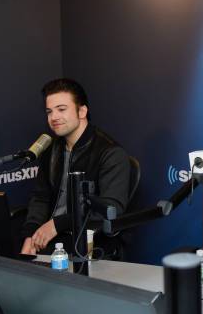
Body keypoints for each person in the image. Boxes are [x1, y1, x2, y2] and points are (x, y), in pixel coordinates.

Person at [20, 78, 131, 256]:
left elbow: (111, 210)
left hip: (89, 240)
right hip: (51, 239)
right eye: (49, 111)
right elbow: (41, 197)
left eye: (61, 109)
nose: (53, 117)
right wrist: (30, 235)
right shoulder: (52, 149)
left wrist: (57, 224)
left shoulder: (110, 153)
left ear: (82, 111)